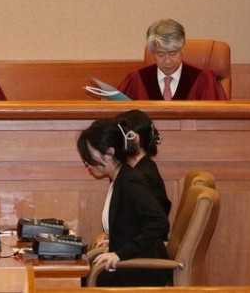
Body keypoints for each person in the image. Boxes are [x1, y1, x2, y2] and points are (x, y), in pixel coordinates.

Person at [77, 117, 172, 287]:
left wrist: (121, 253)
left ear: (109, 153)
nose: (87, 163)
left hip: (140, 271)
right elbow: (132, 226)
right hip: (130, 265)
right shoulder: (122, 178)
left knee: (76, 282)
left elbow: (159, 222)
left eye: (89, 156)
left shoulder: (130, 181)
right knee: (80, 276)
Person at [117, 19, 225, 100]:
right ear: (152, 53)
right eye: (160, 54)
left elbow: (216, 119)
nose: (167, 61)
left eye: (173, 53)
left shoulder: (203, 79)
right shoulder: (136, 80)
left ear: (182, 49)